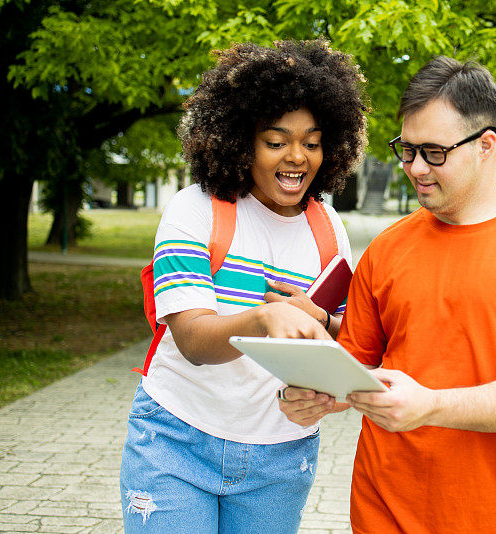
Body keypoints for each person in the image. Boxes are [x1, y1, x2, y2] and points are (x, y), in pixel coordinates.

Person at [279, 56, 496, 533]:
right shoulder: (386, 248)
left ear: (486, 145)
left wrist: (434, 405)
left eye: (434, 152)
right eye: (407, 149)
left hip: (491, 515)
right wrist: (315, 393)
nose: (415, 167)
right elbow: (356, 370)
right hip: (382, 508)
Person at [119, 40, 368, 533]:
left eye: (312, 142)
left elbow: (345, 343)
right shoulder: (196, 210)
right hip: (176, 440)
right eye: (276, 141)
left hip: (279, 456)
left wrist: (323, 327)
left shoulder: (329, 230)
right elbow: (192, 341)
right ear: (241, 141)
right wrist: (263, 318)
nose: (297, 157)